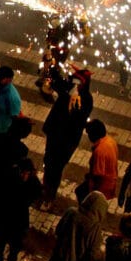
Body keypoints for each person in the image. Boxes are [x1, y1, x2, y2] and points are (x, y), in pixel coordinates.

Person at [41, 67, 94, 203]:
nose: (75, 84)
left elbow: (79, 117)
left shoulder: (86, 99)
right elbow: (55, 80)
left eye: (79, 82)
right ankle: (45, 186)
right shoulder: (67, 88)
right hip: (54, 132)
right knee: (48, 161)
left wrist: (71, 100)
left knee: (57, 167)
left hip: (67, 140)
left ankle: (50, 195)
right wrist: (51, 66)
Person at [0, 157, 43, 261]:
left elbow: (38, 191)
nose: (24, 176)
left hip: (18, 220)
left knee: (14, 247)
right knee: (0, 246)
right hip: (5, 217)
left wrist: (28, 200)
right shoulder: (9, 176)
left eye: (27, 173)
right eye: (23, 173)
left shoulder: (32, 181)